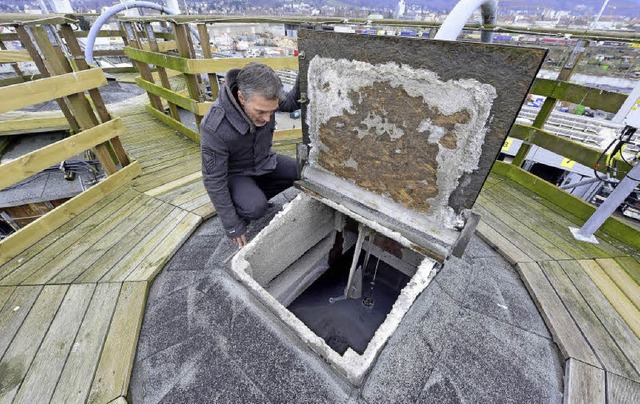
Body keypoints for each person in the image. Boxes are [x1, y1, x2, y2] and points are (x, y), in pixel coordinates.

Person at [201, 63, 300, 248]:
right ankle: (246, 204)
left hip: (264, 161)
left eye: (272, 111)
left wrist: (306, 68)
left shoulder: (267, 98)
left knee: (300, 170)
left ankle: (253, 195)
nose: (267, 119)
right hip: (236, 173)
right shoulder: (214, 126)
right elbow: (213, 179)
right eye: (261, 112)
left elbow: (293, 102)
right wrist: (232, 225)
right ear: (242, 98)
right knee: (255, 208)